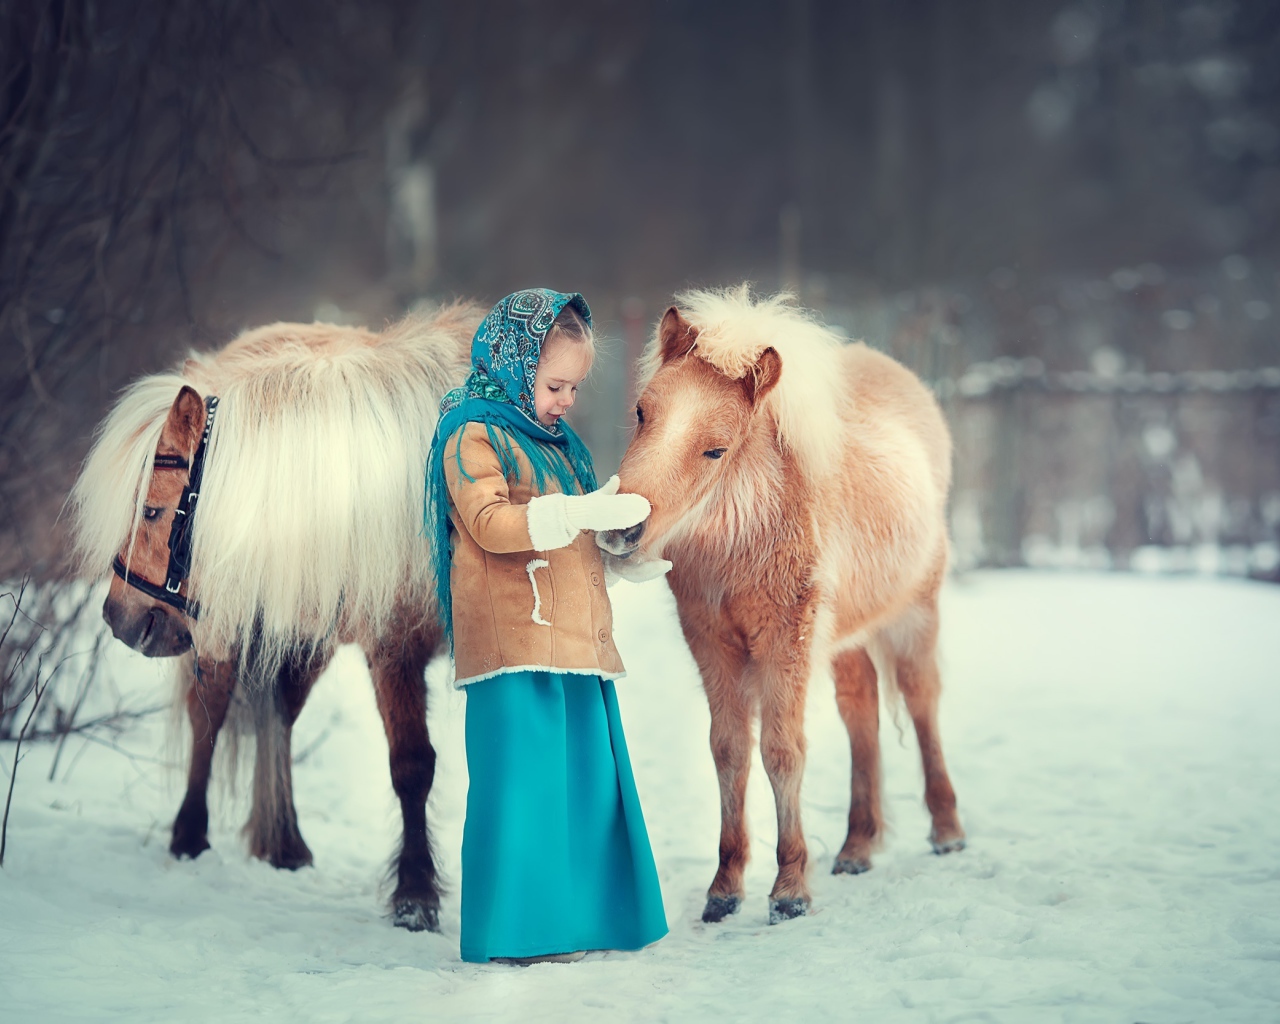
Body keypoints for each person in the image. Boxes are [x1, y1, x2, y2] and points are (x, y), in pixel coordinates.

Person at [425, 288, 669, 964]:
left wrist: (620, 556)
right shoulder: (471, 433)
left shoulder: (559, 446)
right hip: (515, 647)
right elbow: (490, 524)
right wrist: (577, 515)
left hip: (575, 644)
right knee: (525, 791)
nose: (566, 400)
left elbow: (575, 533)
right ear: (514, 361)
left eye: (574, 386)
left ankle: (591, 918)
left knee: (589, 787)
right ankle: (520, 932)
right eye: (555, 383)